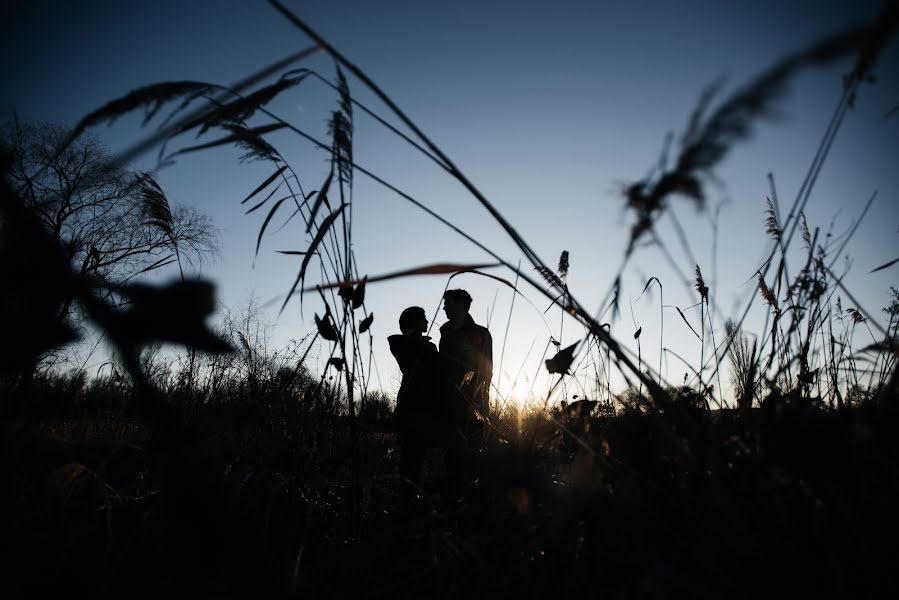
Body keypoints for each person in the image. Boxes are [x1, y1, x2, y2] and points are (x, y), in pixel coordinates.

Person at [387, 306, 445, 485]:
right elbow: (413, 357)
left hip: (424, 412)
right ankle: (407, 502)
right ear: (415, 323)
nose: (428, 322)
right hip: (411, 411)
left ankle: (412, 501)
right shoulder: (401, 344)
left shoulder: (425, 346)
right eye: (424, 319)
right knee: (409, 464)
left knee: (417, 463)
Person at [439, 289, 493, 438]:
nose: (444, 307)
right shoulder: (445, 334)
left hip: (472, 408)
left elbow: (485, 371)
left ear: (461, 304)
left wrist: (471, 403)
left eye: (448, 303)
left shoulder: (481, 333)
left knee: (471, 454)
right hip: (446, 408)